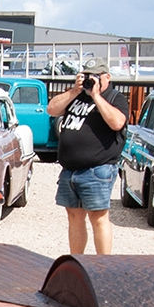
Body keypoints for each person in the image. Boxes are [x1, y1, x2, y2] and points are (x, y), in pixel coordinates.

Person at [46, 63, 128, 254]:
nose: (90, 79)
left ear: (106, 77)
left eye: (95, 75)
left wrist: (96, 96)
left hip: (98, 169)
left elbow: (117, 123)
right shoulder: (75, 95)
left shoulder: (115, 98)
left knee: (98, 218)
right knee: (74, 216)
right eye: (86, 75)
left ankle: (102, 266)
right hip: (70, 170)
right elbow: (52, 109)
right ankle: (77, 261)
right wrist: (75, 90)